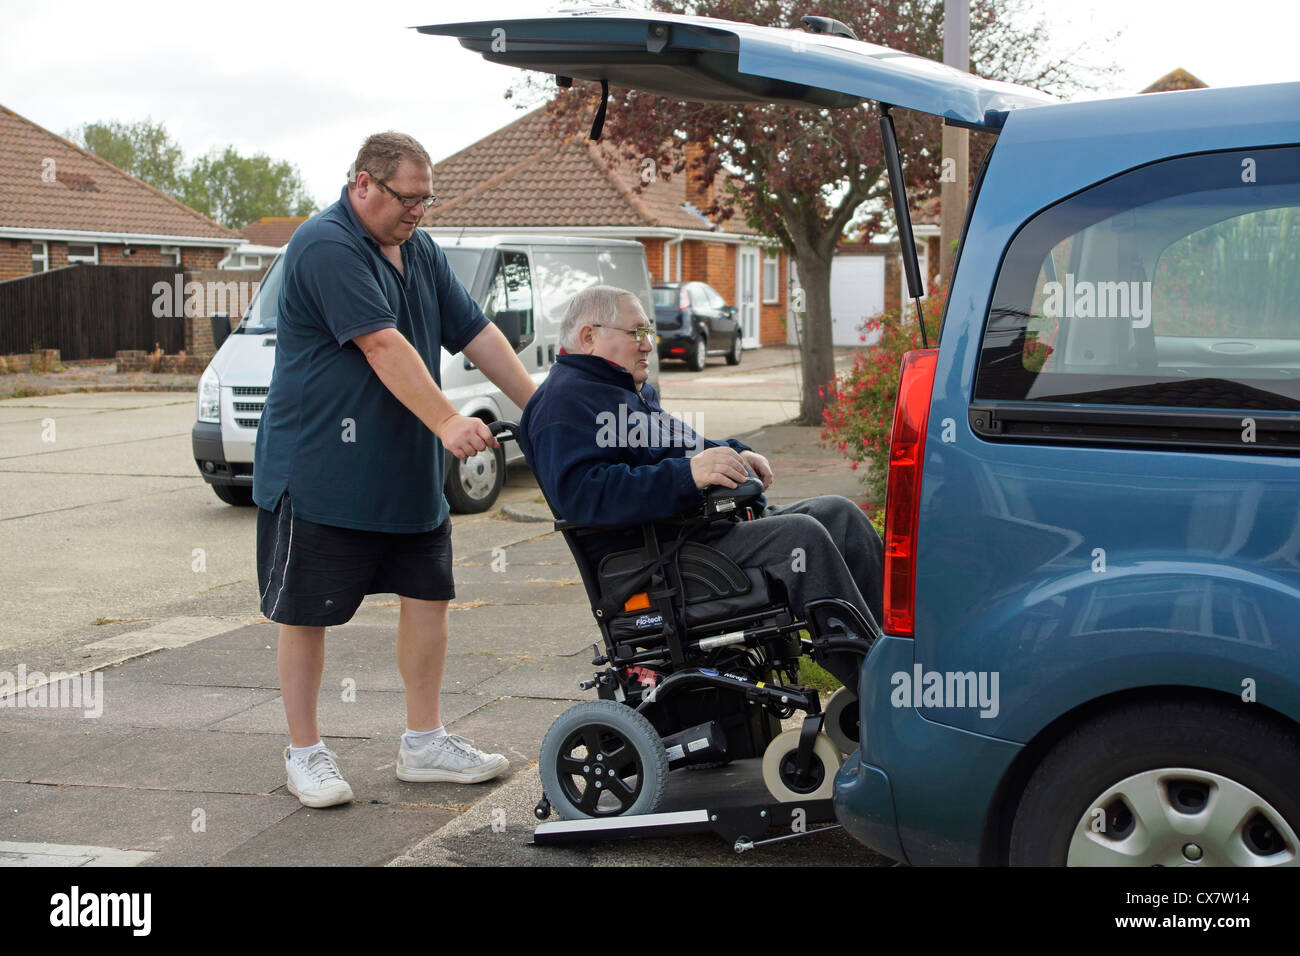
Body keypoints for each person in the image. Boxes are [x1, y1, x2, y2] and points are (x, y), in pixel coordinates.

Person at [253, 132, 537, 808]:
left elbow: (476, 331)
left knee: (429, 598)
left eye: (426, 200)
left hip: (404, 474)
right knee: (306, 615)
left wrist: (543, 407)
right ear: (363, 185)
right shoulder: (324, 244)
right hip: (321, 470)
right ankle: (306, 753)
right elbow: (382, 343)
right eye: (407, 199)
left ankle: (424, 741)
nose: (417, 212)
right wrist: (445, 421)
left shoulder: (419, 247)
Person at [517, 285, 883, 690]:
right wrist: (688, 476)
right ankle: (881, 693)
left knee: (839, 515)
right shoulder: (562, 404)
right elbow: (584, 496)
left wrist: (733, 453)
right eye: (636, 333)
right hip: (654, 564)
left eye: (648, 332)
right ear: (589, 336)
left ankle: (897, 652)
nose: (648, 345)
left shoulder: (625, 392)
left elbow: (681, 445)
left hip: (699, 535)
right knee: (803, 539)